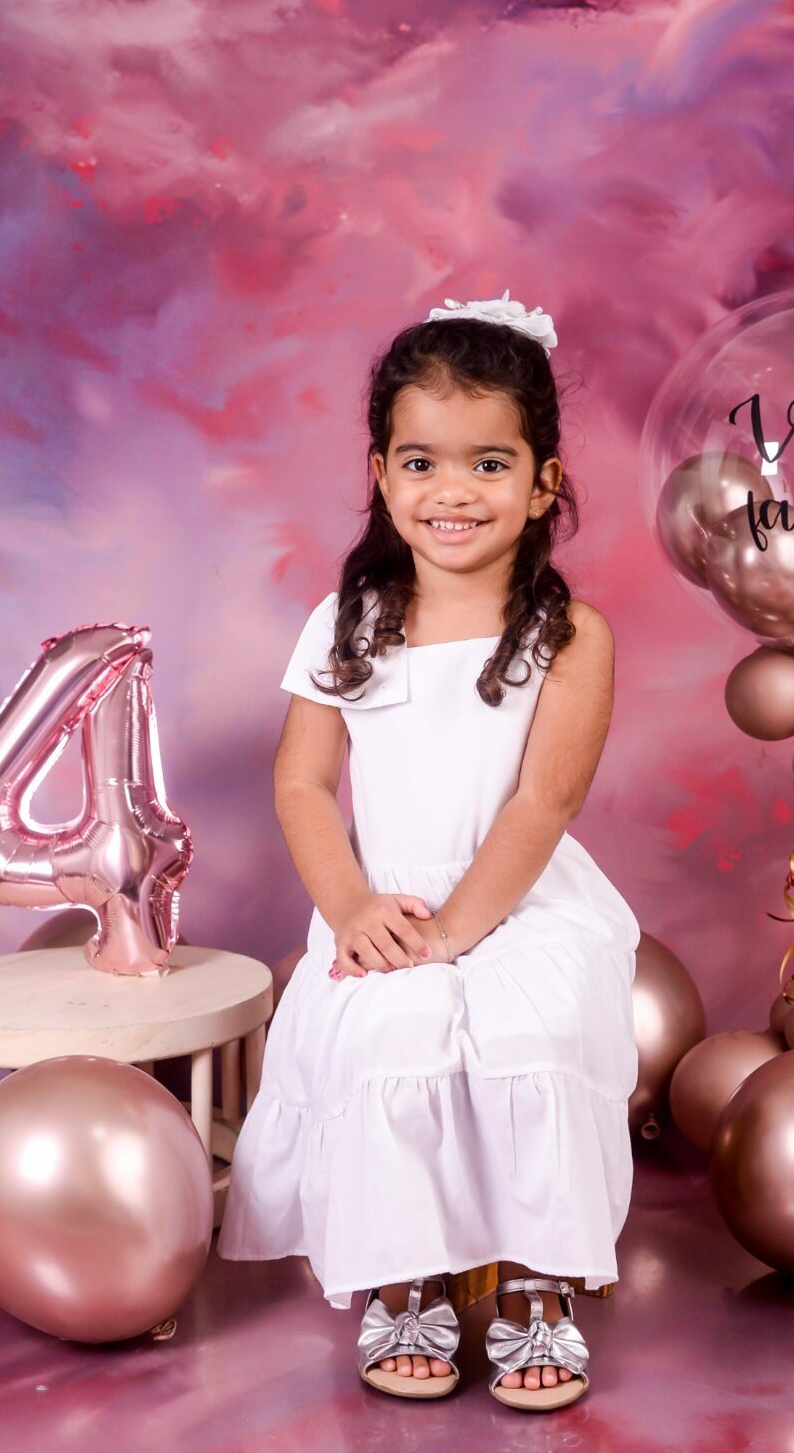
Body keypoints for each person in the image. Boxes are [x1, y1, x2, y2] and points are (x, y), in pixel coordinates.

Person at [217, 290, 642, 1413]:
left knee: (534, 1024)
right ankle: (401, 1274)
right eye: (421, 462)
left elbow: (544, 801)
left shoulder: (570, 635)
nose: (452, 491)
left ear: (543, 482)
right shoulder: (346, 622)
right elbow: (303, 782)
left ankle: (538, 1278)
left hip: (520, 895)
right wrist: (353, 907)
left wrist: (459, 931)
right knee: (390, 1027)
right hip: (385, 896)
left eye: (489, 463)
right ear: (381, 474)